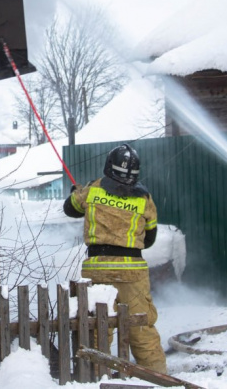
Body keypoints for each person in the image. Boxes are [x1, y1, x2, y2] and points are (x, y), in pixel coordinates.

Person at [63, 143, 168, 374]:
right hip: (133, 272)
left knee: (99, 326)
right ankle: (157, 378)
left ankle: (96, 376)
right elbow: (148, 239)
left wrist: (75, 192)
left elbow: (69, 209)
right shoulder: (144, 198)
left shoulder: (92, 190)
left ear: (108, 166)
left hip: (98, 269)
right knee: (141, 326)